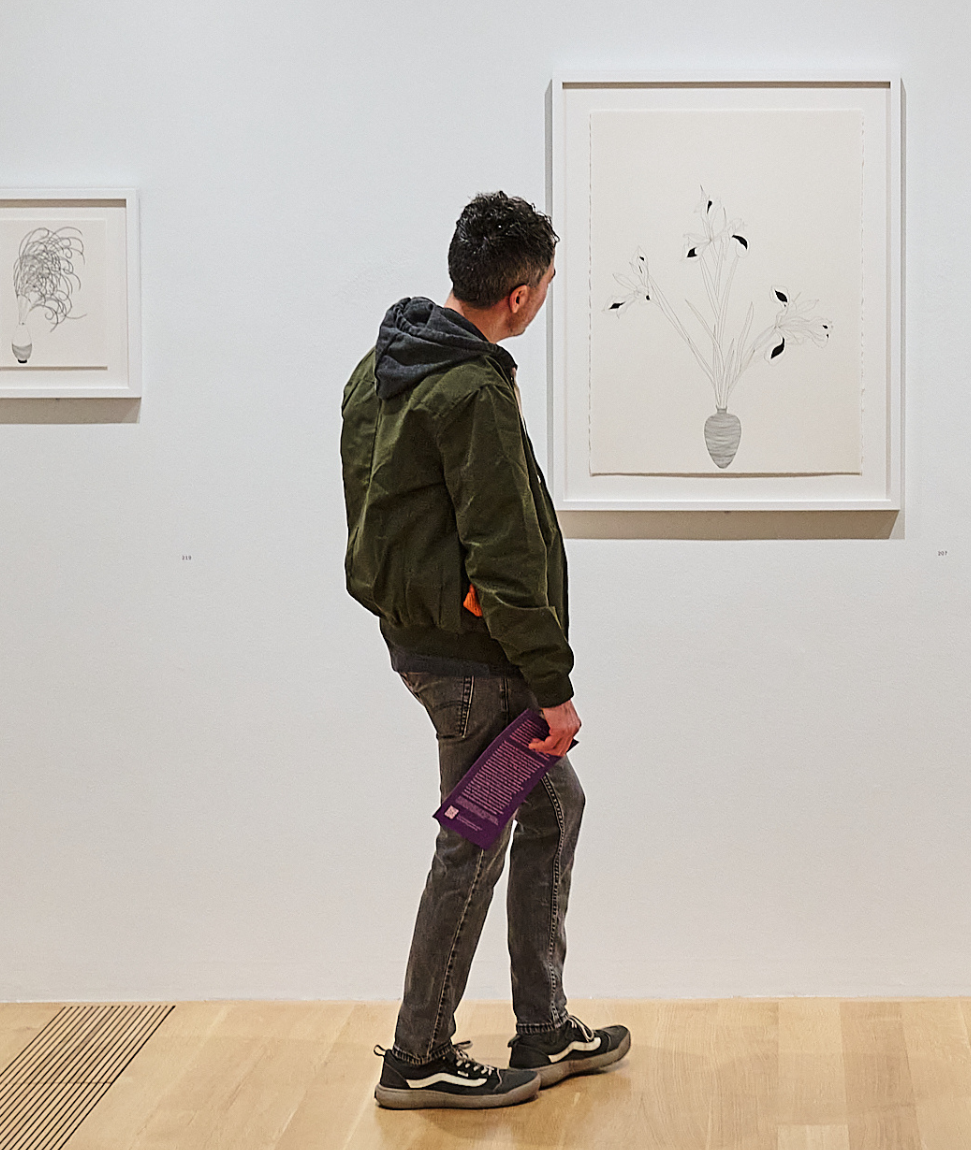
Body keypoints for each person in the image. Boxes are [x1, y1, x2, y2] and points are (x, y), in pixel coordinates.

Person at [341, 191, 631, 1110]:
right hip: (480, 667)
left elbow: (374, 508)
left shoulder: (383, 366)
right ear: (520, 295)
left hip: (431, 647)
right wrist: (551, 687)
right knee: (474, 842)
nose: (543, 296)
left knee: (551, 809)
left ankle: (543, 1028)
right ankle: (417, 1054)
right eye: (545, 283)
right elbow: (504, 553)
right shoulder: (471, 389)